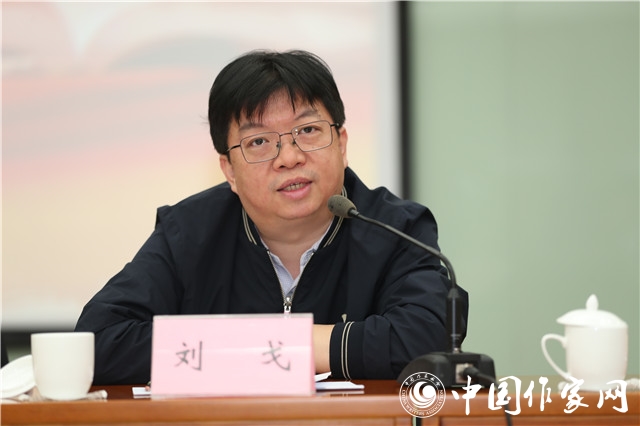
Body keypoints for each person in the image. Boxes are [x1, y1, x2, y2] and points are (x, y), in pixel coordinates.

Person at [75, 49, 469, 385]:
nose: (289, 157)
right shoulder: (190, 232)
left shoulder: (395, 229)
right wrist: (277, 347)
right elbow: (98, 341)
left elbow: (430, 338)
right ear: (229, 170)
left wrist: (272, 346)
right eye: (259, 141)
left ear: (341, 144)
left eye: (308, 130)